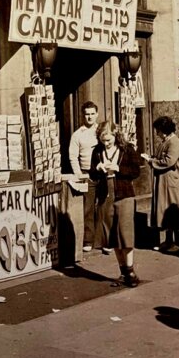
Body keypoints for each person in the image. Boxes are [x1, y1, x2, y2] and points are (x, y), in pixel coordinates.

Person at [90, 122, 144, 287]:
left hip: (124, 194)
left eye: (108, 140)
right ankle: (123, 272)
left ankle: (131, 272)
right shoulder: (97, 151)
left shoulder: (127, 149)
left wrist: (118, 169)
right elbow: (92, 173)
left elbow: (136, 171)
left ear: (116, 136)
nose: (106, 143)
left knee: (125, 234)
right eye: (103, 140)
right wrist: (98, 167)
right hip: (105, 196)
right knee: (112, 235)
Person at [143, 116, 179, 253]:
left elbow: (168, 161)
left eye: (158, 130)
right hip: (163, 181)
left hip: (171, 182)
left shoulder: (174, 142)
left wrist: (151, 161)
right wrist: (152, 158)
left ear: (164, 130)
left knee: (172, 210)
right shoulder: (166, 141)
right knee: (165, 211)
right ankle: (168, 241)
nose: (156, 133)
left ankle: (178, 242)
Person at [68, 101, 101, 253]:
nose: (89, 117)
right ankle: (88, 240)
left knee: (104, 207)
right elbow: (73, 157)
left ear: (97, 114)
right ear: (83, 115)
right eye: (87, 114)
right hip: (86, 174)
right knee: (88, 208)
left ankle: (103, 240)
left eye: (92, 114)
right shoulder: (77, 134)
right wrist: (79, 174)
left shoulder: (102, 131)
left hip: (103, 173)